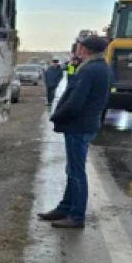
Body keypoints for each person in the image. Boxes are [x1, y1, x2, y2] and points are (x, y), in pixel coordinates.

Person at [40, 36, 114, 229]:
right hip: (86, 124)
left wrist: (57, 116)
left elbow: (75, 102)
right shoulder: (103, 68)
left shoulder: (90, 70)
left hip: (79, 126)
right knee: (72, 170)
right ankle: (65, 208)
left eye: (80, 48)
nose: (78, 51)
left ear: (85, 50)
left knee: (76, 173)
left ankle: (76, 216)